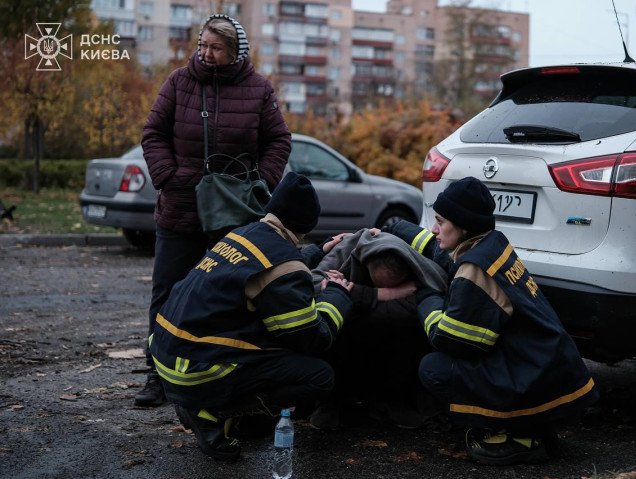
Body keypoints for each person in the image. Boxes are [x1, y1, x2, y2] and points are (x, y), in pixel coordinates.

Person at [385, 177, 599, 465]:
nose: (434, 229)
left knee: (435, 368)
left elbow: (450, 340)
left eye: (440, 221)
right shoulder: (491, 244)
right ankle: (533, 423)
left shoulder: (474, 271)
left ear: (462, 226)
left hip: (536, 380)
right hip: (548, 372)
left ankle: (517, 434)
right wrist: (396, 229)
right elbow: (440, 251)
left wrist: (425, 296)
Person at [137, 13, 291, 407]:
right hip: (180, 207)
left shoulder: (258, 89)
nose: (205, 53)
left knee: (230, 294)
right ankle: (158, 376)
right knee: (167, 291)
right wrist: (168, 177)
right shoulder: (178, 82)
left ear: (234, 51)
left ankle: (226, 372)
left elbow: (278, 140)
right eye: (202, 45)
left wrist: (261, 184)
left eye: (215, 47)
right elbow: (153, 133)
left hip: (234, 212)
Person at [149, 172, 353, 461]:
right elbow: (312, 338)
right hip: (196, 369)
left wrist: (317, 252)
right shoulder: (285, 267)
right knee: (319, 375)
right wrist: (337, 295)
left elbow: (268, 265)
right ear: (308, 223)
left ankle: (200, 402)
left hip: (168, 355)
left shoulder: (242, 234)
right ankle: (213, 413)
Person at [308, 229, 447, 430]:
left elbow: (423, 301)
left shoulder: (424, 269)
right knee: (335, 321)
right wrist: (382, 294)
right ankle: (332, 403)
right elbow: (311, 285)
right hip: (349, 336)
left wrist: (349, 294)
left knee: (405, 325)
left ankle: (395, 401)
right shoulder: (348, 248)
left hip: (389, 338)